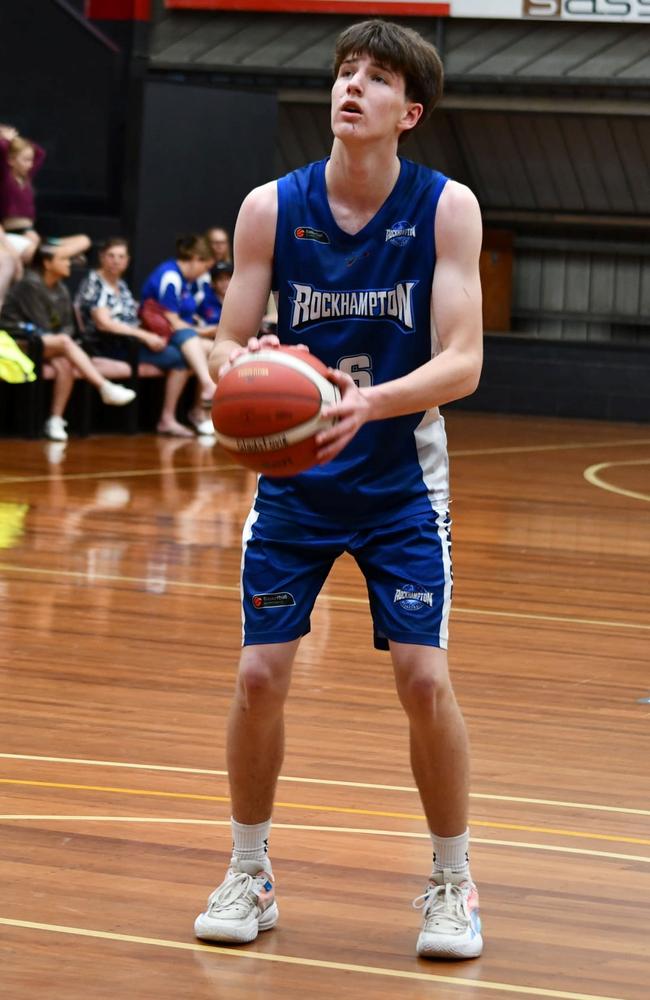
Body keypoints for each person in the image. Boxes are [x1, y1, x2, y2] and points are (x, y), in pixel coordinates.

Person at [194, 19, 484, 961]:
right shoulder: (270, 208)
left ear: (412, 111)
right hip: (299, 482)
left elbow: (465, 363)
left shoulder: (446, 208)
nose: (352, 87)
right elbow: (223, 342)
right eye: (345, 72)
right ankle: (249, 870)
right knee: (257, 674)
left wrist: (368, 401)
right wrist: (243, 365)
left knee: (424, 679)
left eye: (378, 78)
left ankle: (452, 881)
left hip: (401, 480)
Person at [0, 244, 136, 441]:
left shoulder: (61, 288)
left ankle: (55, 420)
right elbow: (40, 325)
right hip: (17, 342)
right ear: (47, 263)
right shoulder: (29, 285)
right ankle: (104, 386)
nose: (68, 263)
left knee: (65, 361)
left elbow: (68, 326)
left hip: (48, 344)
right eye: (63, 259)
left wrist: (61, 340)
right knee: (64, 343)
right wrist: (61, 339)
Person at [76, 237, 195, 438]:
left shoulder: (121, 285)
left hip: (131, 342)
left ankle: (169, 417)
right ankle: (167, 419)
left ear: (127, 261)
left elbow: (132, 315)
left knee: (180, 346)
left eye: (121, 257)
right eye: (111, 256)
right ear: (102, 258)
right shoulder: (94, 283)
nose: (116, 261)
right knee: (180, 359)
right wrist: (145, 335)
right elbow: (104, 324)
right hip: (109, 345)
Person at [140, 235, 218, 435]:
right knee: (191, 341)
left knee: (213, 350)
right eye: (205, 267)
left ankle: (199, 410)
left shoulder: (186, 281)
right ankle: (207, 387)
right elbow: (172, 322)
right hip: (156, 335)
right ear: (194, 258)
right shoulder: (170, 276)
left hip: (176, 336)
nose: (205, 273)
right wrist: (203, 331)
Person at [0, 124, 90, 264]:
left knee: (84, 240)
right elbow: (2, 151)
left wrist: (17, 138)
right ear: (11, 160)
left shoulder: (27, 178)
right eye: (25, 160)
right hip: (15, 233)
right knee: (33, 243)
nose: (30, 164)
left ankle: (60, 256)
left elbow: (40, 153)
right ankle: (63, 257)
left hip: (33, 234)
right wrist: (7, 140)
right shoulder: (6, 178)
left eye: (30, 160)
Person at [200, 260, 232, 326]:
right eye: (220, 279)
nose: (225, 283)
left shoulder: (240, 301)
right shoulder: (203, 301)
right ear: (213, 283)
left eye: (228, 279)